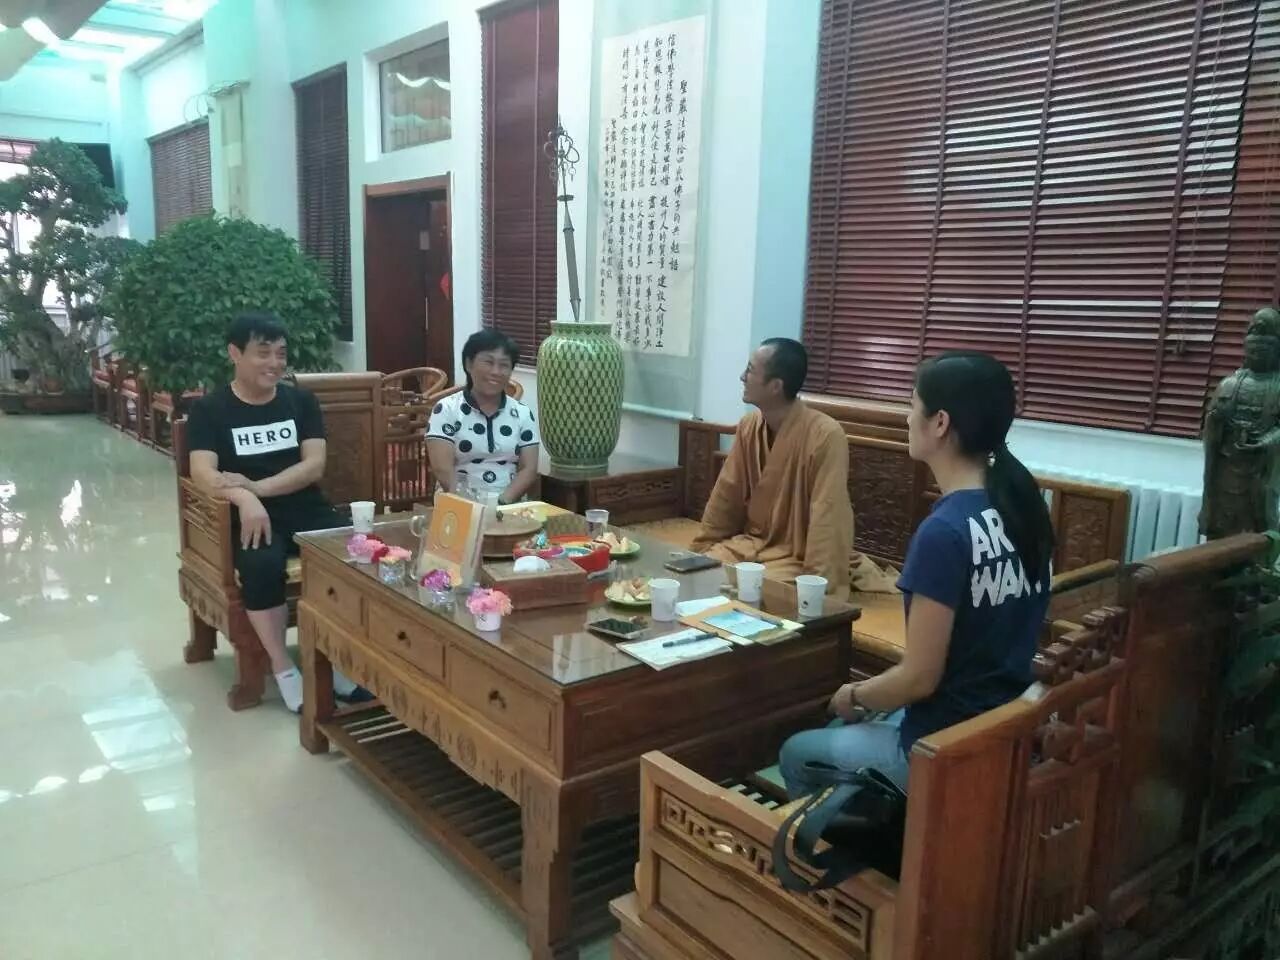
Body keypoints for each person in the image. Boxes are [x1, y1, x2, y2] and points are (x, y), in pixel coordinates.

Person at [779, 352, 1054, 795]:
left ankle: (895, 837)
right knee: (857, 721)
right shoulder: (1025, 507)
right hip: (1007, 727)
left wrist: (853, 694)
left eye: (912, 406)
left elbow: (919, 678)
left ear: (940, 423)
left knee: (797, 751)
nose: (907, 419)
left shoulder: (943, 533)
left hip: (946, 746)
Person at [186, 312, 363, 712]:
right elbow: (202, 471)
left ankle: (334, 659)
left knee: (353, 554)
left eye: (280, 354)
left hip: (304, 505)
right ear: (235, 354)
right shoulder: (210, 410)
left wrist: (257, 488)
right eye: (262, 353)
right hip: (248, 518)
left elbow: (314, 465)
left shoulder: (300, 401)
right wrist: (246, 499)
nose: (274, 363)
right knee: (262, 566)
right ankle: (284, 668)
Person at [690, 338, 855, 599]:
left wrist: (817, 583)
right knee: (705, 568)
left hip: (793, 556)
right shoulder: (749, 426)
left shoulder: (826, 435)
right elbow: (727, 494)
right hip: (748, 546)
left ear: (776, 386)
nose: (742, 377)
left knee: (759, 588)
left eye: (750, 370)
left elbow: (828, 513)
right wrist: (704, 545)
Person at [426, 330, 540, 504]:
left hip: (508, 504)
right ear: (469, 364)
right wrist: (471, 508)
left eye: (504, 365)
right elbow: (442, 469)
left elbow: (529, 469)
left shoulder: (522, 413)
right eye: (488, 362)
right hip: (458, 502)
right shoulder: (447, 409)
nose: (496, 371)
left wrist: (501, 504)